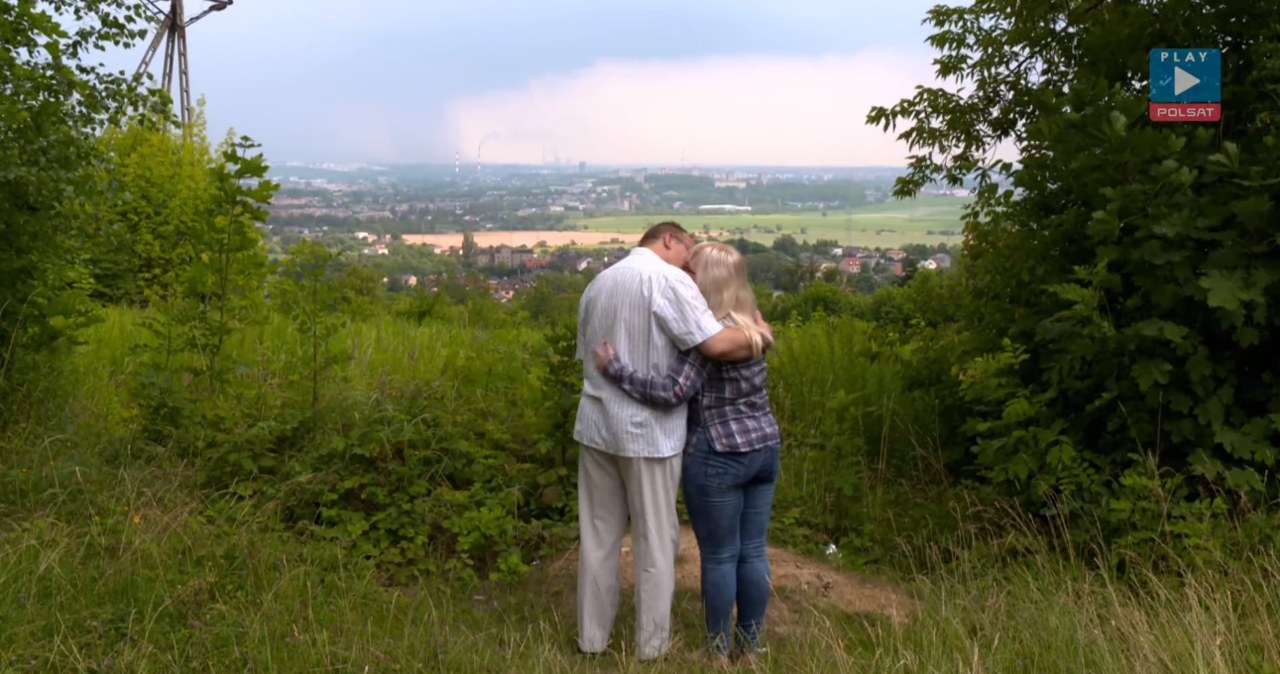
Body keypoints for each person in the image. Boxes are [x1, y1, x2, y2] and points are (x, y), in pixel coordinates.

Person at [573, 223, 771, 661]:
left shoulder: (598, 282)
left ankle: (591, 638)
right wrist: (762, 335)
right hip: (650, 433)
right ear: (669, 240)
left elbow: (585, 354)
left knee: (599, 535)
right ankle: (651, 646)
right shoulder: (668, 281)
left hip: (596, 425)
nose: (689, 263)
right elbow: (715, 343)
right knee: (656, 540)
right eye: (687, 251)